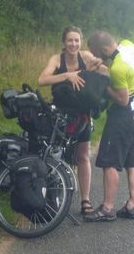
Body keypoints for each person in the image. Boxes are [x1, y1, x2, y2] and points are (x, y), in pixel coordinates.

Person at [37, 25, 105, 215]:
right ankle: (52, 197)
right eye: (70, 40)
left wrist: (99, 63)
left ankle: (85, 200)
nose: (73, 44)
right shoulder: (56, 59)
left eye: (76, 40)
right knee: (55, 154)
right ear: (64, 43)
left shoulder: (86, 56)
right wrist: (68, 75)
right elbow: (42, 80)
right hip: (61, 114)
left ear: (80, 41)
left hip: (83, 114)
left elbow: (105, 70)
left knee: (83, 155)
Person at [84, 30, 134, 222]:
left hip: (122, 117)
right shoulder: (128, 45)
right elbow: (112, 55)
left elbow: (122, 99)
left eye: (95, 53)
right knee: (131, 163)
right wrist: (102, 63)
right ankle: (132, 205)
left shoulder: (117, 69)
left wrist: (103, 84)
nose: (95, 57)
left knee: (109, 163)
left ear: (103, 49)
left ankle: (107, 208)